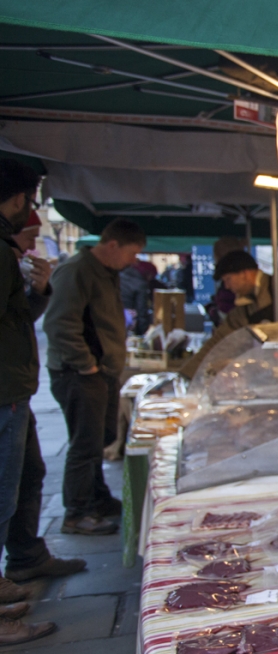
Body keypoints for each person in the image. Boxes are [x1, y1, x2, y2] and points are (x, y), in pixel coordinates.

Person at [0, 162, 86, 645]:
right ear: (17, 200)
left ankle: (26, 559)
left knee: (23, 479)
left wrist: (35, 290)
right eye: (30, 203)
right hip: (6, 392)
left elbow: (15, 319)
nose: (30, 213)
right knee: (2, 492)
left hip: (14, 390)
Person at [44, 218, 146, 536]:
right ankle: (76, 512)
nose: (134, 261)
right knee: (84, 443)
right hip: (79, 374)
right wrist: (86, 364)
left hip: (102, 372)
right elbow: (60, 323)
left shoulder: (107, 273)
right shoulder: (76, 271)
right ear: (112, 245)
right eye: (132, 253)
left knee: (100, 438)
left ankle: (97, 498)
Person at [179, 250, 278, 379]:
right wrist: (187, 374)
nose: (227, 286)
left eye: (228, 279)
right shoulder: (243, 310)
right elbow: (220, 343)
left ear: (245, 274)